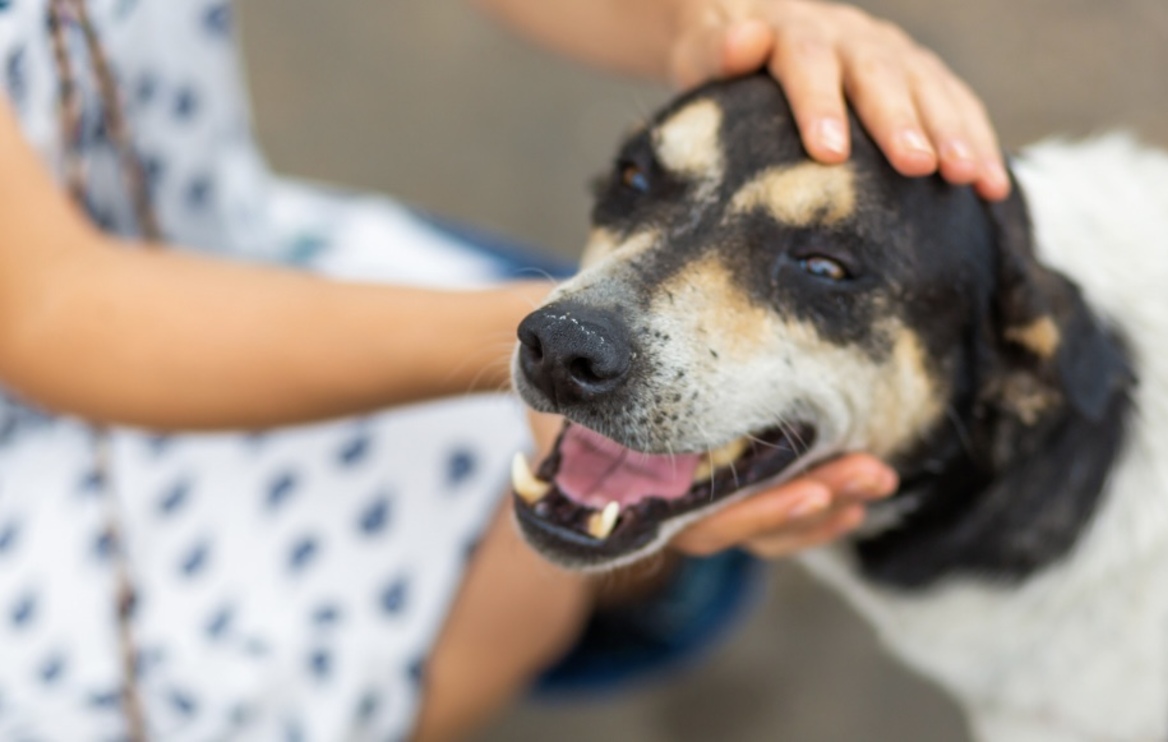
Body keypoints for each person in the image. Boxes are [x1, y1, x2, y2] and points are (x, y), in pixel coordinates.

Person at [0, 1, 1007, 740]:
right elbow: (54, 314)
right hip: (48, 389)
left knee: (623, 470)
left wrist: (722, 23)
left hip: (218, 242)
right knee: (526, 575)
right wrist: (540, 334)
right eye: (639, 178)